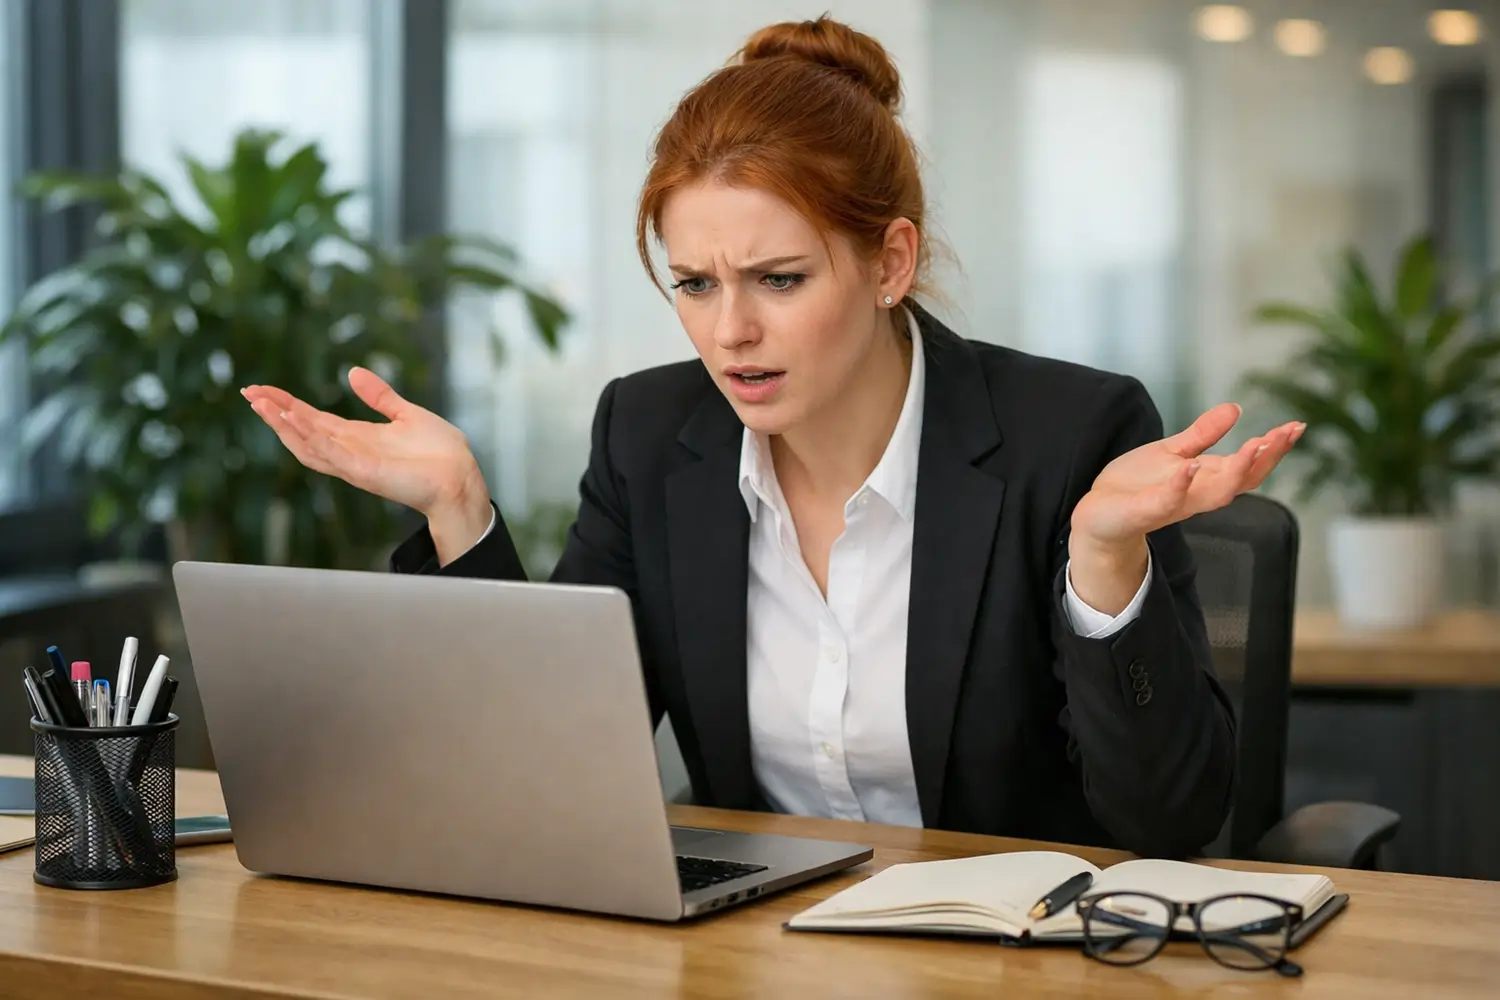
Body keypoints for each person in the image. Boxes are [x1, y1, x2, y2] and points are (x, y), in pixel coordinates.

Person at [242, 16, 1301, 859]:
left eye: (778, 280)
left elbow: (1171, 823)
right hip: (754, 958)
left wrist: (1105, 560)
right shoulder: (651, 436)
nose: (729, 329)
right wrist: (460, 514)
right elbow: (544, 773)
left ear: (891, 262)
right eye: (694, 283)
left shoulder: (1070, 436)